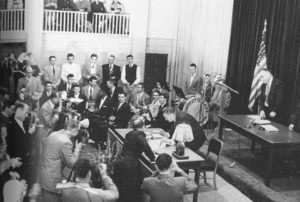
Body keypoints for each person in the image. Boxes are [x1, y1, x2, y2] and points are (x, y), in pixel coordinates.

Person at [40, 119, 84, 202]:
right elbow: (71, 163)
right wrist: (77, 149)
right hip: (52, 181)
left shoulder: (54, 134)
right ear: (74, 130)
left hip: (44, 176)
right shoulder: (66, 142)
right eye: (78, 130)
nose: (79, 132)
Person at [113, 116, 155, 202]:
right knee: (131, 189)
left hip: (120, 160)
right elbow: (146, 147)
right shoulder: (140, 134)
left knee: (122, 186)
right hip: (129, 165)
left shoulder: (129, 134)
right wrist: (152, 158)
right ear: (143, 127)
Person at [6, 102, 36, 184]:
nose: (27, 115)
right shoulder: (11, 126)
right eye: (26, 112)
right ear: (19, 111)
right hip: (17, 164)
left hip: (26, 162)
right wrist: (30, 134)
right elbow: (19, 145)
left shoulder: (24, 122)